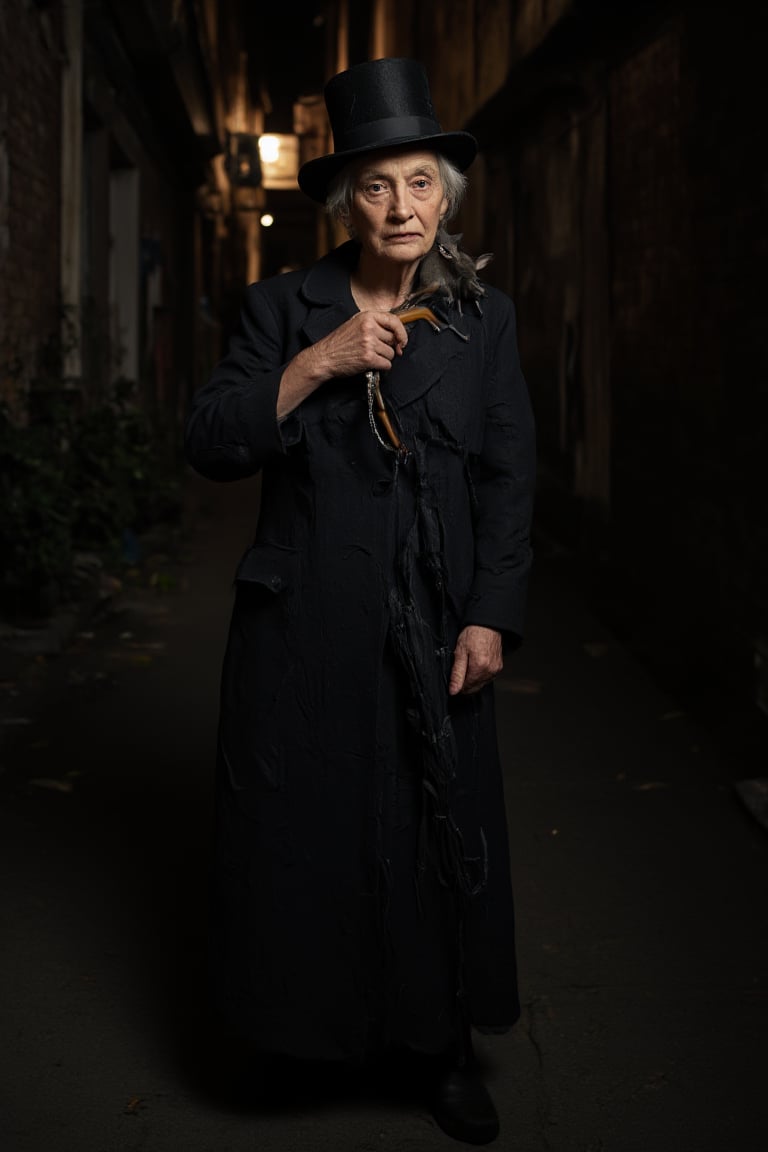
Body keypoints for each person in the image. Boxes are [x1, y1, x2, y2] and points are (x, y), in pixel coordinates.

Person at [184, 56, 536, 1146]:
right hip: (303, 631)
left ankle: (439, 1053)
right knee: (300, 834)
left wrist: (489, 612)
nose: (402, 208)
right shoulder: (284, 305)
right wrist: (318, 361)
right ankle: (298, 1042)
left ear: (446, 198)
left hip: (433, 627)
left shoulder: (484, 321)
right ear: (348, 201)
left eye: (421, 185)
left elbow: (509, 476)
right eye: (378, 187)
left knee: (435, 828)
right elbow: (211, 438)